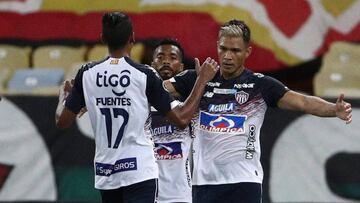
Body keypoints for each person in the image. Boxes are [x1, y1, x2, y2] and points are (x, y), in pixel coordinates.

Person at [163, 19, 352, 203]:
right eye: (223, 48)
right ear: (217, 47)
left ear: (247, 52)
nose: (227, 56)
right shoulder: (198, 77)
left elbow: (302, 101)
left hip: (244, 182)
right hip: (204, 183)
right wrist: (198, 81)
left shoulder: (260, 85)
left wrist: (333, 109)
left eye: (235, 50)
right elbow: (157, 90)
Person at [55, 12, 219, 203]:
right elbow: (182, 118)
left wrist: (63, 97)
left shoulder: (87, 73)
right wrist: (202, 81)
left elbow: (62, 121)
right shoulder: (144, 74)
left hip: (106, 173)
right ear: (132, 38)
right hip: (139, 171)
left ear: (103, 39)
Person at [148, 38, 192, 203]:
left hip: (181, 196)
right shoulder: (140, 105)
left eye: (172, 57)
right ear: (152, 64)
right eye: (160, 57)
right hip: (146, 194)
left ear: (181, 67)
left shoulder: (190, 105)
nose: (166, 61)